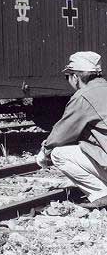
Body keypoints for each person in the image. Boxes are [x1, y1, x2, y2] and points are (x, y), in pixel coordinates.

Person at [36, 51, 107, 209]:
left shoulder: (84, 96)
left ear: (75, 77)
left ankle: (102, 194)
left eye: (67, 76)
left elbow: (62, 133)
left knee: (58, 154)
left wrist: (45, 151)